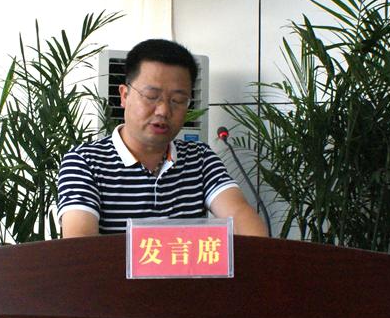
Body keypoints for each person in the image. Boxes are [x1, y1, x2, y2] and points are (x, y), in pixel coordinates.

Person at [56, 38, 267, 238]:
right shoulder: (85, 162)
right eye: (151, 97)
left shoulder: (200, 159)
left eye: (178, 100)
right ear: (124, 95)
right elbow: (80, 244)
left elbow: (239, 213)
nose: (164, 110)